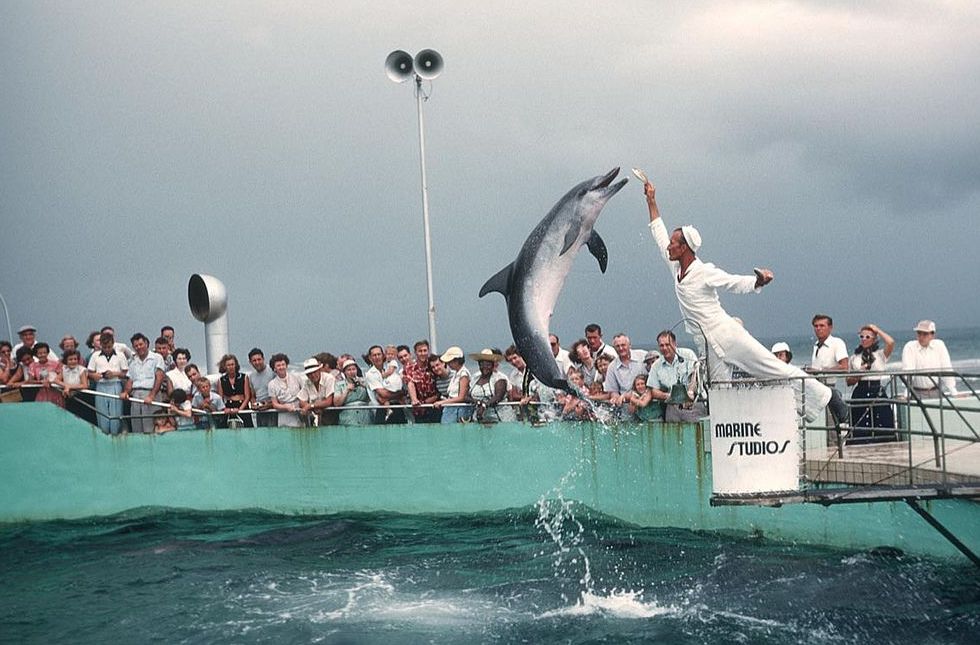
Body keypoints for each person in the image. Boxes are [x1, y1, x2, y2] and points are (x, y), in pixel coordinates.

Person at [642, 178, 838, 424]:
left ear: (685, 248)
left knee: (770, 368)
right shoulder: (676, 269)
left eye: (674, 243)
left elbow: (731, 281)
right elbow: (659, 236)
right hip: (707, 345)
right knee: (719, 391)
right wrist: (651, 200)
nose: (669, 246)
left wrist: (758, 282)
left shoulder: (704, 271)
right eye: (671, 242)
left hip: (727, 334)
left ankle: (830, 398)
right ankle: (729, 434)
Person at [845, 324, 896, 441]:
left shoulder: (880, 355)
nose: (864, 339)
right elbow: (848, 381)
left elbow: (891, 342)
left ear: (874, 339)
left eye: (867, 337)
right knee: (859, 423)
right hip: (861, 389)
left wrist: (877, 329)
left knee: (882, 420)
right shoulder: (855, 357)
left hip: (876, 389)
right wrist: (860, 373)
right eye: (861, 336)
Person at [647, 330, 705, 422]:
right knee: (672, 433)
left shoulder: (687, 354)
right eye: (661, 345)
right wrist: (670, 396)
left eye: (668, 344)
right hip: (672, 406)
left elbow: (695, 375)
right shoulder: (656, 365)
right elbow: (653, 391)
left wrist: (689, 392)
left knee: (697, 433)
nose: (665, 348)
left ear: (674, 344)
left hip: (692, 405)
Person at [121, 333, 167, 434]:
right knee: (137, 428)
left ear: (146, 344)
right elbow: (130, 380)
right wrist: (125, 392)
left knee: (150, 428)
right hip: (136, 395)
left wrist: (152, 396)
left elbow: (159, 377)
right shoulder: (132, 361)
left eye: (141, 344)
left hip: (151, 394)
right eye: (136, 346)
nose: (139, 347)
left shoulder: (156, 358)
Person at [901, 320, 958, 398]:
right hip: (916, 392)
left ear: (932, 335)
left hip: (936, 391)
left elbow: (946, 368)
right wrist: (906, 393)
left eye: (925, 334)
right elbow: (908, 370)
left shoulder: (939, 345)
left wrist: (953, 391)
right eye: (919, 333)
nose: (921, 337)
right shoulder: (910, 347)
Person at [86, 332, 128, 434]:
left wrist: (114, 374)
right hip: (101, 385)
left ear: (113, 343)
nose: (107, 349)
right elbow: (89, 373)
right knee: (101, 414)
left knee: (115, 414)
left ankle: (115, 434)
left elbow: (126, 373)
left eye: (109, 346)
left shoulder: (120, 355)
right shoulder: (95, 356)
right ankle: (103, 434)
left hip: (115, 385)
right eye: (105, 347)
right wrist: (95, 375)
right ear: (101, 345)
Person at [468, 349, 516, 423]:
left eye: (488, 365)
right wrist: (476, 402)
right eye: (482, 364)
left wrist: (484, 406)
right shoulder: (475, 378)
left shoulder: (500, 378)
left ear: (493, 365)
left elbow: (498, 396)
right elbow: (466, 396)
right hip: (480, 419)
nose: (485, 367)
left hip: (501, 419)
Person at [363, 345, 406, 423]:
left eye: (379, 354)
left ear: (383, 355)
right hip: (383, 410)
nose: (377, 357)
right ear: (370, 358)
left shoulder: (389, 367)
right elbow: (383, 394)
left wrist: (400, 393)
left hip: (398, 406)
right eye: (374, 355)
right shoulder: (370, 374)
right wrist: (400, 393)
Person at [602, 334, 648, 405]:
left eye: (623, 345)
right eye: (617, 346)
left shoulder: (643, 356)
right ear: (614, 348)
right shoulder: (612, 367)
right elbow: (613, 391)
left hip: (646, 400)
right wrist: (616, 398)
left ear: (629, 345)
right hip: (626, 404)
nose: (620, 348)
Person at [404, 340, 441, 423]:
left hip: (435, 406)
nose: (423, 353)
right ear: (415, 352)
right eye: (420, 351)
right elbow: (410, 383)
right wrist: (414, 400)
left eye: (425, 350)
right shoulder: (410, 367)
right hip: (419, 408)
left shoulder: (432, 364)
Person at [433, 346, 471, 423]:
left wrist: (442, 402)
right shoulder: (457, 373)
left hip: (458, 410)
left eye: (450, 361)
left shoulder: (463, 374)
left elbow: (461, 397)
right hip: (451, 408)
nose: (449, 364)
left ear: (457, 361)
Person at [267, 353, 304, 427]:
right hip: (284, 415)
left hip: (299, 413)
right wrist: (286, 407)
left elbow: (304, 392)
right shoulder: (272, 384)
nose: (281, 367)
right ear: (274, 368)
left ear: (286, 365)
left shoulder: (296, 377)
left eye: (283, 364)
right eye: (278, 365)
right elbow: (275, 404)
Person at [217, 353, 253, 428]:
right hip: (229, 407)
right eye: (228, 365)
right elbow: (220, 398)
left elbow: (247, 396)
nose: (231, 367)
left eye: (232, 364)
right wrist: (224, 409)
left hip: (242, 406)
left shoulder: (244, 377)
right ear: (225, 366)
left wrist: (240, 409)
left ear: (236, 365)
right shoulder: (221, 380)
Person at [333, 358, 373, 425]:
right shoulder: (339, 384)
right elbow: (337, 403)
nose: (352, 372)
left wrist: (364, 386)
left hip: (365, 415)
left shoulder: (365, 381)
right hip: (348, 417)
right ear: (344, 372)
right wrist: (346, 390)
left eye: (354, 369)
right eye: (349, 370)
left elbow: (373, 397)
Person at [297, 357, 335, 427]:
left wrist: (310, 406)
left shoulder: (329, 378)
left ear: (319, 370)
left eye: (314, 372)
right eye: (309, 374)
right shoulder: (307, 383)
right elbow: (301, 400)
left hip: (332, 416)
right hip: (316, 417)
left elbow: (329, 401)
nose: (313, 375)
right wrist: (313, 408)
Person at [56, 348, 90, 420]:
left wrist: (70, 387)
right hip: (67, 396)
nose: (73, 361)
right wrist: (66, 386)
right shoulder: (64, 369)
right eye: (70, 359)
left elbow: (84, 385)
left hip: (80, 397)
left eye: (75, 359)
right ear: (66, 361)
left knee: (80, 417)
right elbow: (56, 380)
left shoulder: (81, 370)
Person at [247, 348, 277, 427]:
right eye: (254, 360)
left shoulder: (273, 372)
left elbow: (280, 393)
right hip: (259, 412)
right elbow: (253, 395)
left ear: (263, 359)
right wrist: (253, 404)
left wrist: (269, 405)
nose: (257, 362)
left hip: (273, 410)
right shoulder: (251, 376)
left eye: (259, 359)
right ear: (250, 362)